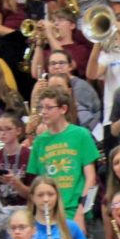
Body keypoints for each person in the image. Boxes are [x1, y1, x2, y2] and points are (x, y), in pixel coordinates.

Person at [26, 87, 98, 227]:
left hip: (75, 209)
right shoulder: (39, 141)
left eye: (48, 107)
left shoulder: (81, 135)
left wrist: (81, 212)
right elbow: (35, 182)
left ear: (63, 109)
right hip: (48, 212)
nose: (44, 112)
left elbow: (91, 178)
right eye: (41, 107)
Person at [0, 112, 32, 208]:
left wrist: (15, 182)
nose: (3, 133)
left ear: (18, 131)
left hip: (26, 209)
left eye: (8, 129)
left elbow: (34, 194)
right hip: (1, 211)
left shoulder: (29, 156)